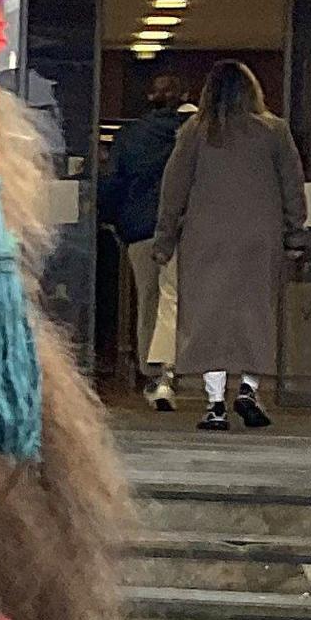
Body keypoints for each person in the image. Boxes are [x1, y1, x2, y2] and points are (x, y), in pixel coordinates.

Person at [155, 60, 306, 432]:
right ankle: (249, 389)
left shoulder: (195, 132)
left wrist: (165, 239)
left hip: (205, 239)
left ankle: (215, 403)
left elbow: (173, 190)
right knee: (257, 314)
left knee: (207, 317)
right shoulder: (275, 131)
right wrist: (295, 235)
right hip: (259, 238)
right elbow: (292, 186)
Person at [104, 69, 196, 408]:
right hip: (186, 229)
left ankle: (151, 371)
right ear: (185, 96)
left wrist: (114, 221)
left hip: (141, 230)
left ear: (149, 98)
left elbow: (113, 183)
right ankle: (174, 370)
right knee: (177, 300)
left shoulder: (131, 136)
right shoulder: (194, 134)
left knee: (148, 300)